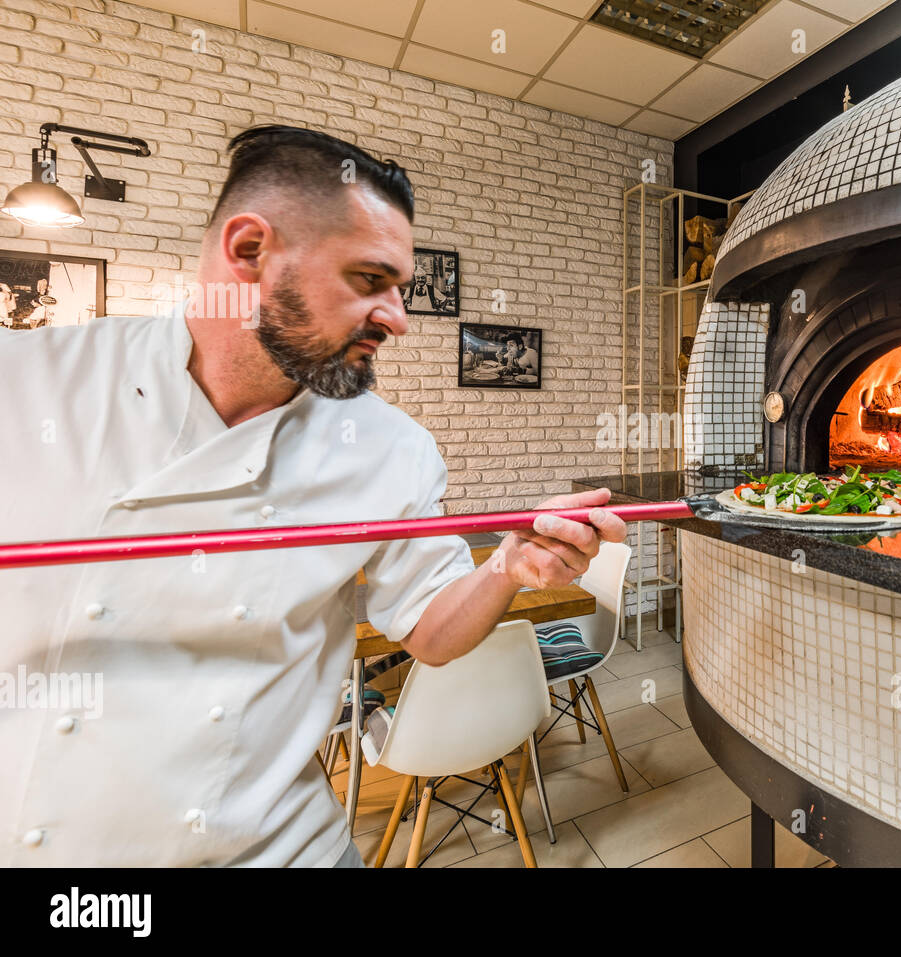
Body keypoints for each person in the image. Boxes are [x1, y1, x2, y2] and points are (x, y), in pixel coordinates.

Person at [0, 125, 625, 868]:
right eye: (369, 279)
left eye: (400, 286)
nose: (397, 316)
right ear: (249, 250)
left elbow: (427, 629)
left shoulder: (391, 449)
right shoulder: (30, 382)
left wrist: (505, 568)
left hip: (278, 849)